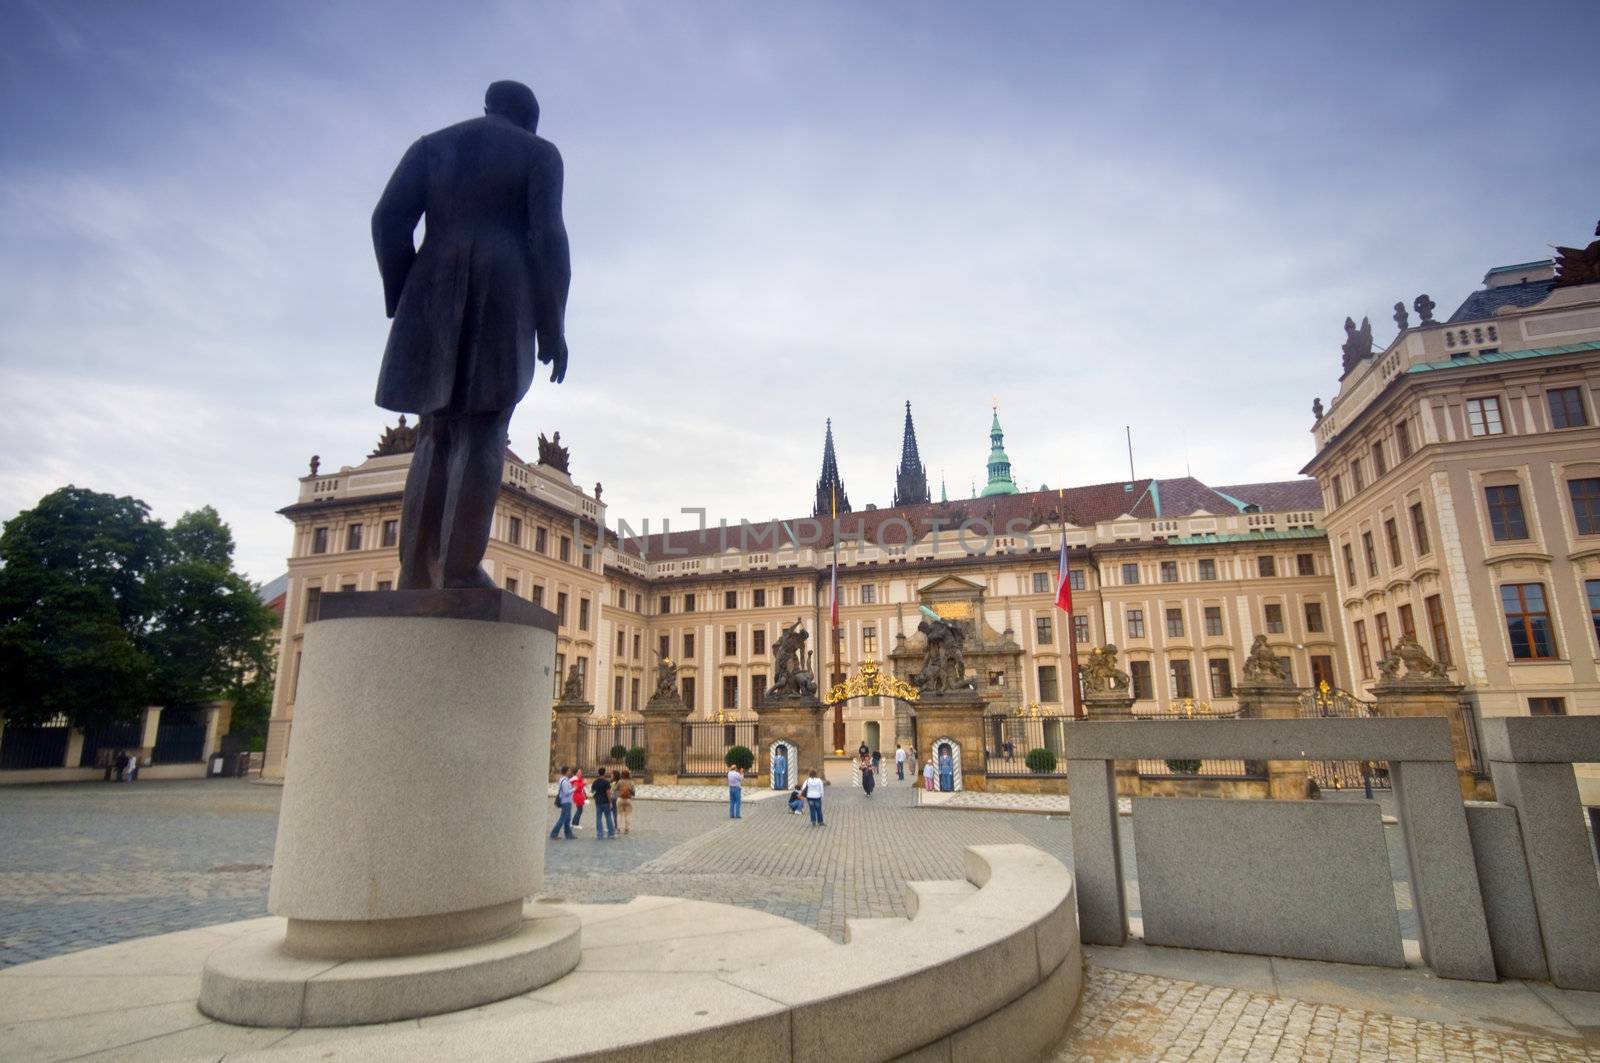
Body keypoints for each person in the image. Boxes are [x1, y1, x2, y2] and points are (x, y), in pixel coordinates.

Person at [372, 81, 571, 591]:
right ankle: (459, 570)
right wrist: (553, 324)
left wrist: (404, 292)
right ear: (530, 119)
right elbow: (548, 238)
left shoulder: (431, 146)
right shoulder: (539, 154)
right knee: (485, 426)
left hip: (432, 282)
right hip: (504, 288)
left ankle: (414, 570)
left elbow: (388, 220)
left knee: (434, 429)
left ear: (488, 107)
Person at [549, 767, 575, 840]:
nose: (570, 772)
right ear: (566, 772)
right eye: (569, 771)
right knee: (563, 819)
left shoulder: (566, 780)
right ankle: (554, 834)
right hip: (565, 802)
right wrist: (574, 789)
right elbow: (566, 792)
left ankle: (568, 834)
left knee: (567, 819)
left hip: (567, 801)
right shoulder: (564, 781)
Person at [591, 769, 615, 838]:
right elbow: (608, 793)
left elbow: (592, 791)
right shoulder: (606, 782)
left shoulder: (595, 782)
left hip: (598, 802)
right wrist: (610, 802)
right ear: (604, 773)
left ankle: (599, 834)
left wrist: (596, 795)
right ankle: (611, 833)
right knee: (608, 817)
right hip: (605, 802)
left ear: (598, 773)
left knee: (598, 818)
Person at [615, 770, 635, 834]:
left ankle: (618, 828)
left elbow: (615, 789)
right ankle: (626, 829)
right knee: (628, 815)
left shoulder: (620, 782)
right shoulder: (631, 782)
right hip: (628, 799)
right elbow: (633, 791)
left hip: (620, 799)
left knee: (619, 814)